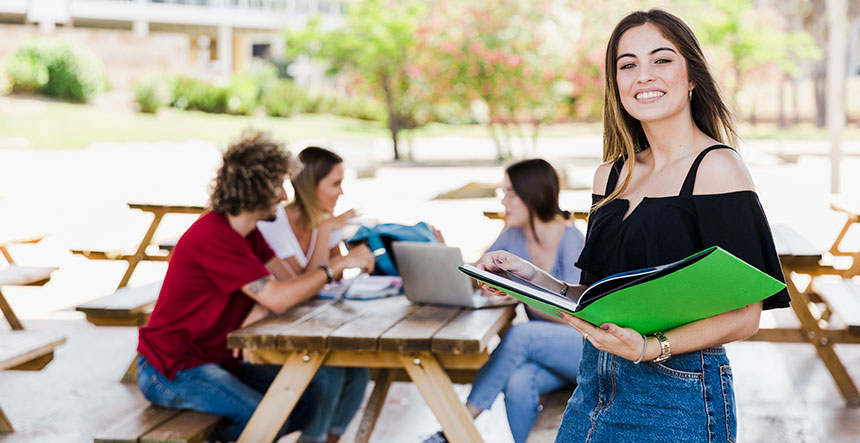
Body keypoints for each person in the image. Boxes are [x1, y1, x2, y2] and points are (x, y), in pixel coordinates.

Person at [476, 10, 791, 443]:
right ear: (617, 83)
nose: (644, 76)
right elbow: (596, 299)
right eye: (628, 65)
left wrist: (649, 348)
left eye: (661, 60)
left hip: (677, 396)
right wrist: (530, 278)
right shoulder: (609, 176)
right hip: (594, 387)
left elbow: (746, 315)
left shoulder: (717, 169)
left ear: (692, 76)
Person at [136, 132, 375, 443]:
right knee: (263, 417)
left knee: (308, 399)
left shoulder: (249, 235)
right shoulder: (214, 236)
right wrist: (335, 267)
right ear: (256, 188)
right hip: (173, 369)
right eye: (278, 185)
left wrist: (321, 259)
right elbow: (278, 297)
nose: (284, 195)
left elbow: (290, 284)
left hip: (217, 360)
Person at [424, 159, 586, 443]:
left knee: (521, 335)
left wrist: (521, 295)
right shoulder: (514, 234)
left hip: (582, 348)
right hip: (546, 351)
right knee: (518, 383)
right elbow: (477, 273)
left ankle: (457, 425)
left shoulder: (571, 239)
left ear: (532, 194)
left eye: (510, 193)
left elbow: (578, 316)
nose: (503, 201)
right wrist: (445, 256)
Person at [256, 147, 355, 278]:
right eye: (336, 184)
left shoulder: (327, 219)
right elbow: (304, 283)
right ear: (311, 186)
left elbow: (337, 278)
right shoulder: (273, 220)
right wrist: (325, 229)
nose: (341, 192)